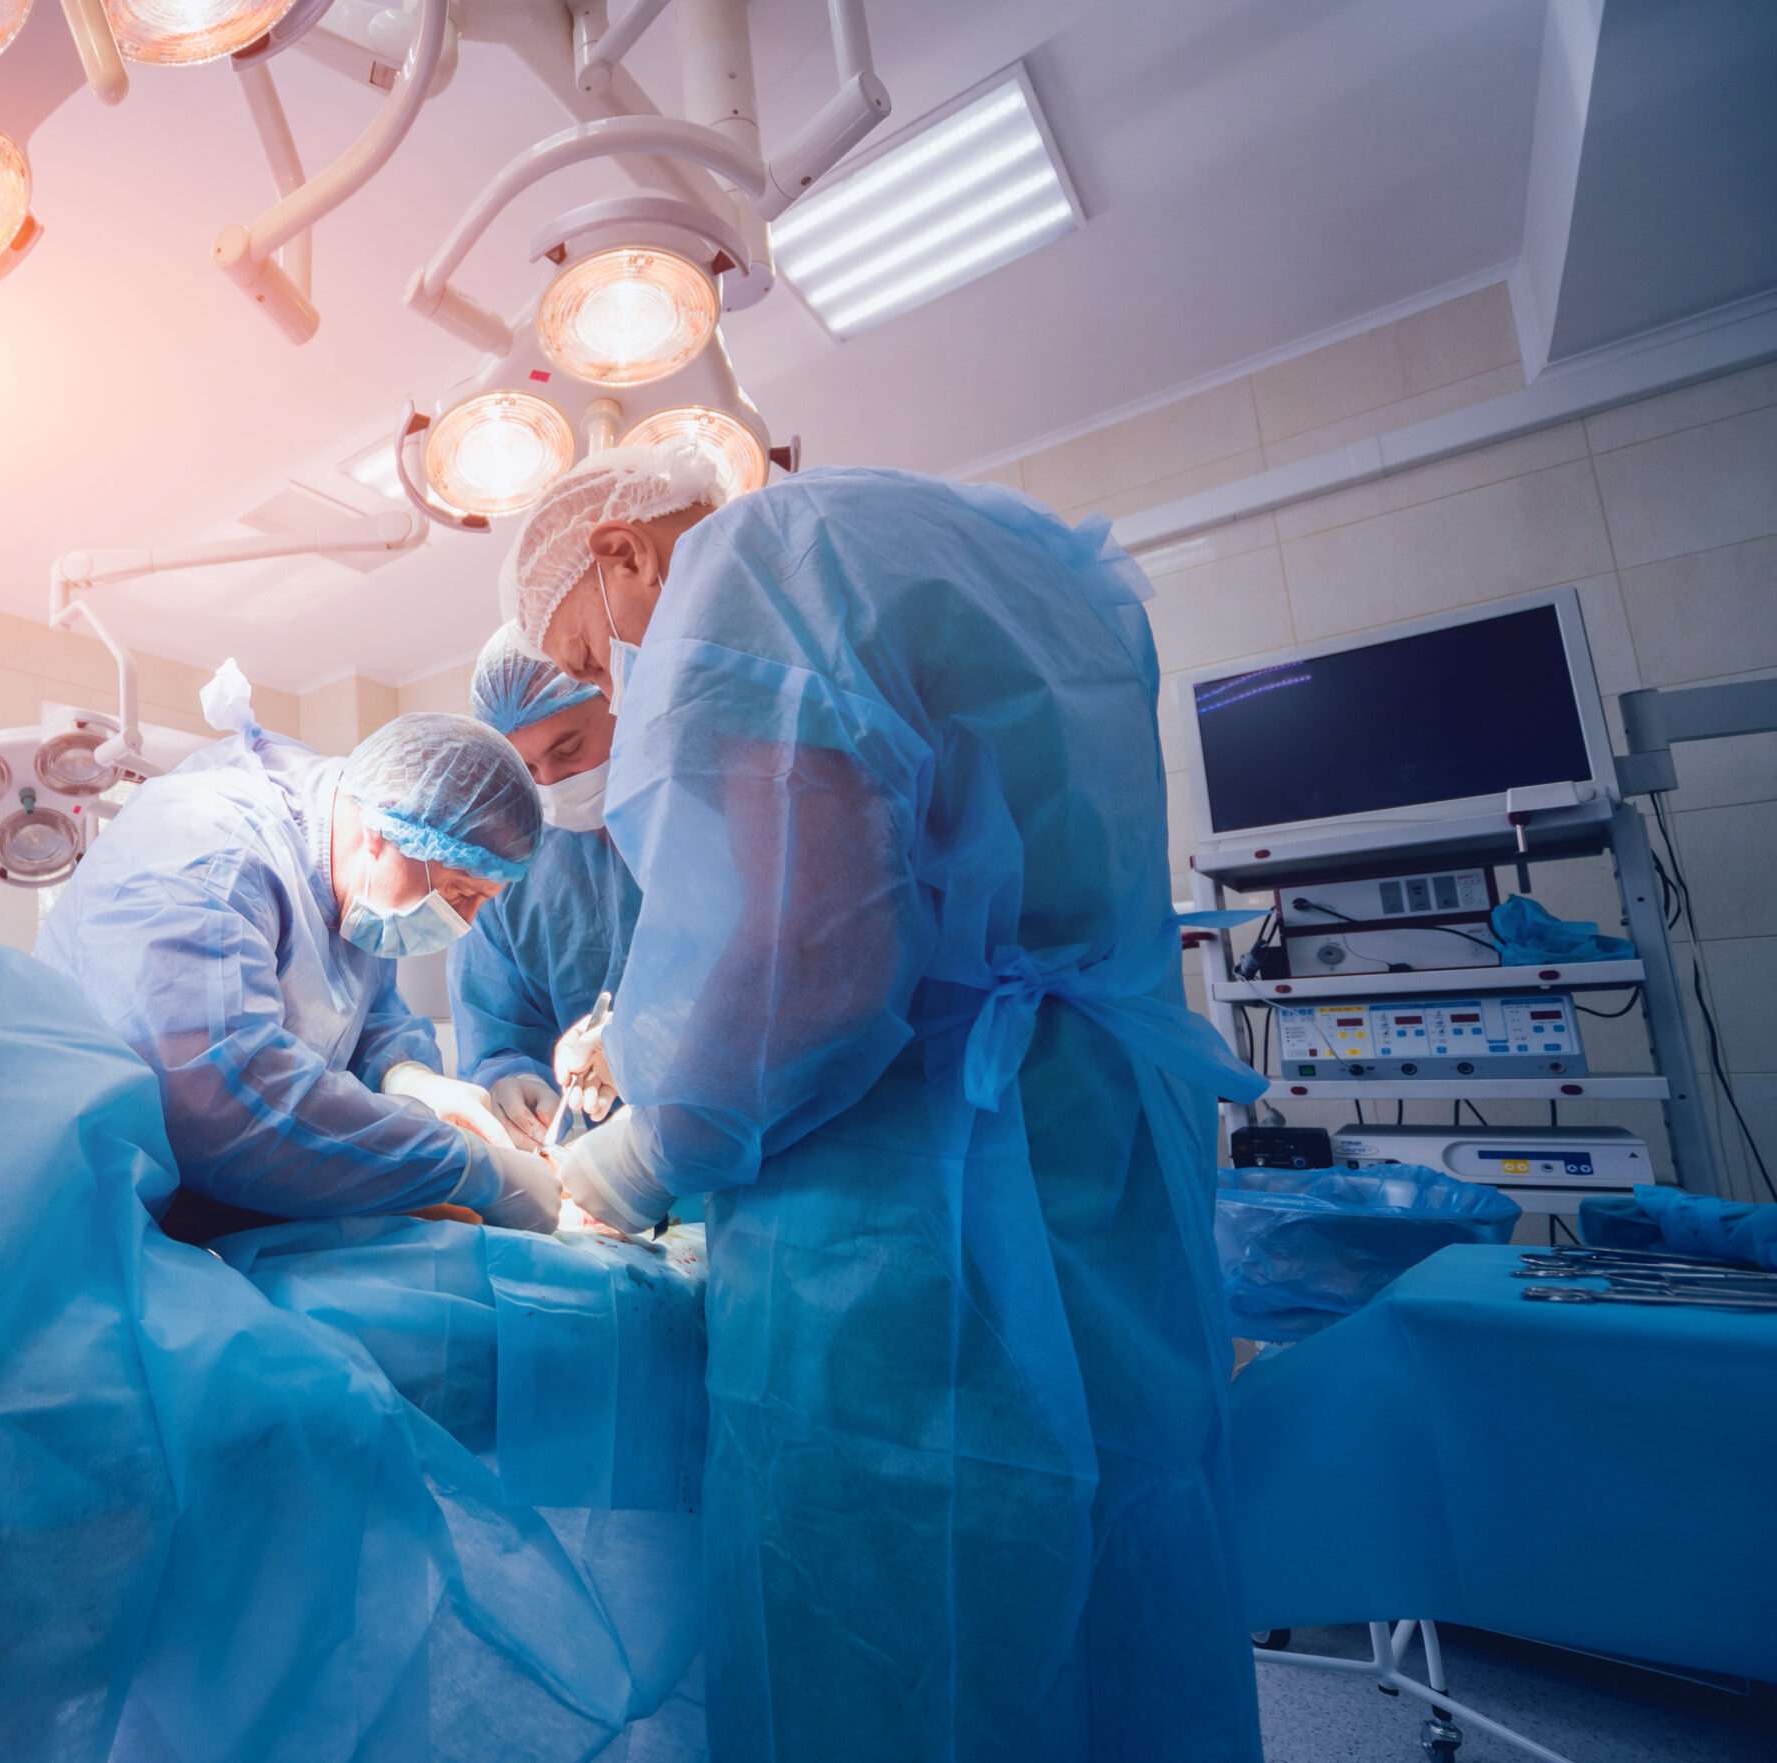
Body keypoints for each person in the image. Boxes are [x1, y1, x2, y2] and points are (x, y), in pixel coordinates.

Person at [504, 446, 1270, 1759]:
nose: (620, 673)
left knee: (912, 1613)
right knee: (1111, 1582)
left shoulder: (752, 561)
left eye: (593, 650)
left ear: (625, 547)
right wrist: (648, 1025)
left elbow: (818, 961)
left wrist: (626, 1165)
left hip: (918, 1203)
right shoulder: (1015, 554)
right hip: (1094, 1147)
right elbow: (910, 872)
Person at [38, 706, 563, 1241]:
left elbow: (372, 1022)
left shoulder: (354, 890)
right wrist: (468, 1169)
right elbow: (224, 1102)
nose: (464, 922)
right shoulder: (214, 858)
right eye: (458, 891)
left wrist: (410, 1077)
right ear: (383, 830)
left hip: (219, 1200)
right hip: (97, 1203)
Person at [446, 627, 642, 1148]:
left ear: (618, 695)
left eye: (570, 748)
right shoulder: (509, 867)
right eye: (529, 767)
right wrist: (511, 1079)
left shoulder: (711, 805)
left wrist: (656, 1044)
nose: (553, 781)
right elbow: (496, 1025)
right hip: (591, 1174)